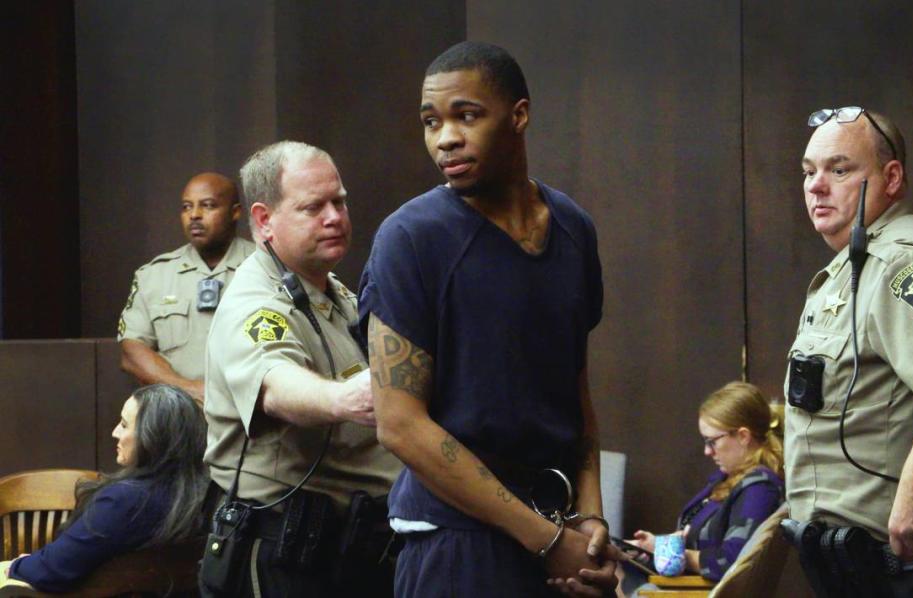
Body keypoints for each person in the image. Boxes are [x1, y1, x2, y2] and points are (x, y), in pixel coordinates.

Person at [359, 41, 618, 597]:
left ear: (519, 115)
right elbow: (399, 424)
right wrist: (546, 540)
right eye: (431, 122)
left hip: (557, 531)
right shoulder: (410, 238)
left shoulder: (574, 228)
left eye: (466, 115)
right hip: (457, 542)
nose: (445, 137)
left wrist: (590, 520)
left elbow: (573, 390)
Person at [201, 141, 401, 597]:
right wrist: (344, 398)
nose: (334, 217)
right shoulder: (253, 303)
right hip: (284, 551)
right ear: (264, 220)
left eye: (339, 201)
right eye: (313, 207)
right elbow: (275, 383)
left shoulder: (332, 292)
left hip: (351, 547)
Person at [786, 107, 913, 596]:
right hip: (849, 565)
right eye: (808, 171)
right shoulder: (854, 266)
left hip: (899, 564)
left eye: (839, 169)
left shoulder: (902, 261)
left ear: (891, 178)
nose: (816, 186)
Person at [1, 384, 208, 593]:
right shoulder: (203, 496)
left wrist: (16, 567)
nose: (115, 432)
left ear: (152, 437)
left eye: (125, 425)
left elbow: (51, 570)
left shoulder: (125, 502)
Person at [625, 382, 784, 592]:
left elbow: (731, 562)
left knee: (602, 573)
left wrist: (675, 554)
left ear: (743, 436)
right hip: (685, 587)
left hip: (698, 592)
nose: (707, 452)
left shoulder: (759, 489)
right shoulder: (728, 478)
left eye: (712, 441)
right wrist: (657, 545)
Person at [118, 172, 255, 403]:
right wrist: (187, 390)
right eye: (186, 207)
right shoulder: (154, 276)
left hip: (250, 419)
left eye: (208, 206)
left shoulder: (267, 269)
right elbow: (132, 351)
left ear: (235, 212)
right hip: (178, 419)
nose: (194, 215)